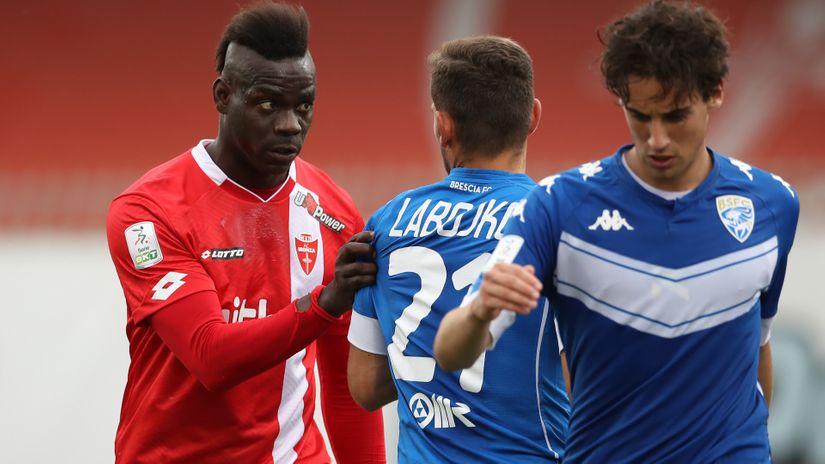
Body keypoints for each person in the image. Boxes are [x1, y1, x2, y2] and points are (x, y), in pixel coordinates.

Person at [435, 1, 800, 462]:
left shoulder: (773, 205)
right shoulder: (558, 206)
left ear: (716, 93)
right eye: (640, 115)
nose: (657, 138)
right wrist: (480, 311)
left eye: (675, 116)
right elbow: (450, 353)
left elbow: (758, 345)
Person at [106, 3, 385, 463]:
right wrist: (324, 304)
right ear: (223, 96)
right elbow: (209, 357)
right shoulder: (148, 213)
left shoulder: (332, 209)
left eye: (304, 105)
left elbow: (344, 382)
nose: (290, 125)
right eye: (268, 104)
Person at [346, 36, 569, 463]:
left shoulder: (387, 222)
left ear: (444, 125)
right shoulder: (554, 219)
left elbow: (366, 385)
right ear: (533, 116)